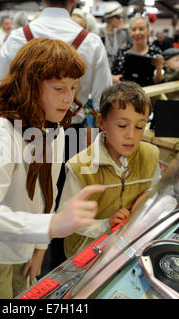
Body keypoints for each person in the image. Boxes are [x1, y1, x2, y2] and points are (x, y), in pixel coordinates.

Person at [0, 38, 106, 299]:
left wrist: (39, 248)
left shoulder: (56, 129)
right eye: (59, 87)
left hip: (26, 246)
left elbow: (44, 197)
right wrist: (49, 226)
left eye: (73, 87)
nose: (69, 98)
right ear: (29, 85)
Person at [58, 81, 160, 258]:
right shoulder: (80, 166)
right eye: (122, 125)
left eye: (139, 126)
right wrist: (105, 224)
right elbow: (66, 217)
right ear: (102, 122)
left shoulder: (151, 155)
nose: (131, 135)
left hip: (127, 246)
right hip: (85, 253)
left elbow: (155, 190)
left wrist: (146, 199)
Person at [111, 15, 164, 87]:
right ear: (130, 32)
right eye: (134, 29)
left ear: (148, 31)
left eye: (141, 29)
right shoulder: (122, 52)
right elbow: (112, 74)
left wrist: (159, 67)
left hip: (148, 94)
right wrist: (114, 78)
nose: (137, 33)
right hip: (124, 93)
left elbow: (158, 81)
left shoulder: (155, 52)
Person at [99, 2, 131, 68]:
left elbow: (124, 54)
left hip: (116, 71)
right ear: (110, 18)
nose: (121, 19)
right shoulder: (99, 33)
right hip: (102, 70)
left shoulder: (122, 34)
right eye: (119, 17)